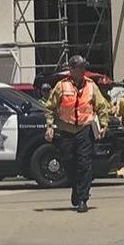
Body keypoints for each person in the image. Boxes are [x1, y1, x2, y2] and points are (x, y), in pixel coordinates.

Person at [44, 58, 106, 211]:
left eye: (84, 68)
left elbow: (102, 106)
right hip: (66, 129)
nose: (82, 71)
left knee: (85, 163)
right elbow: (50, 107)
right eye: (79, 68)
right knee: (68, 162)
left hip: (84, 129)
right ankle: (76, 189)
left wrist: (104, 124)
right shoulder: (61, 86)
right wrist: (49, 126)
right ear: (71, 69)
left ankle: (83, 198)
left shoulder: (91, 86)